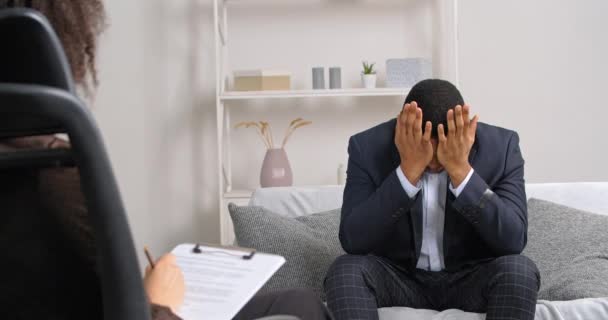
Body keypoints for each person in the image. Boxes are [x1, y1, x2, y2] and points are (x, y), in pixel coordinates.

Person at [0, 1, 331, 320]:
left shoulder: (31, 168)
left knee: (298, 299)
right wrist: (158, 301)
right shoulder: (53, 174)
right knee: (301, 308)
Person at [324, 79, 540, 320]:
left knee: (520, 271)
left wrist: (461, 170)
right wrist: (407, 171)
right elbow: (353, 240)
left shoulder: (502, 148)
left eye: (444, 150)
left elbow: (513, 240)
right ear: (404, 126)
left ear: (465, 129)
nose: (436, 161)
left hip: (470, 277)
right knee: (344, 271)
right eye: (427, 149)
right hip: (398, 278)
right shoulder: (366, 147)